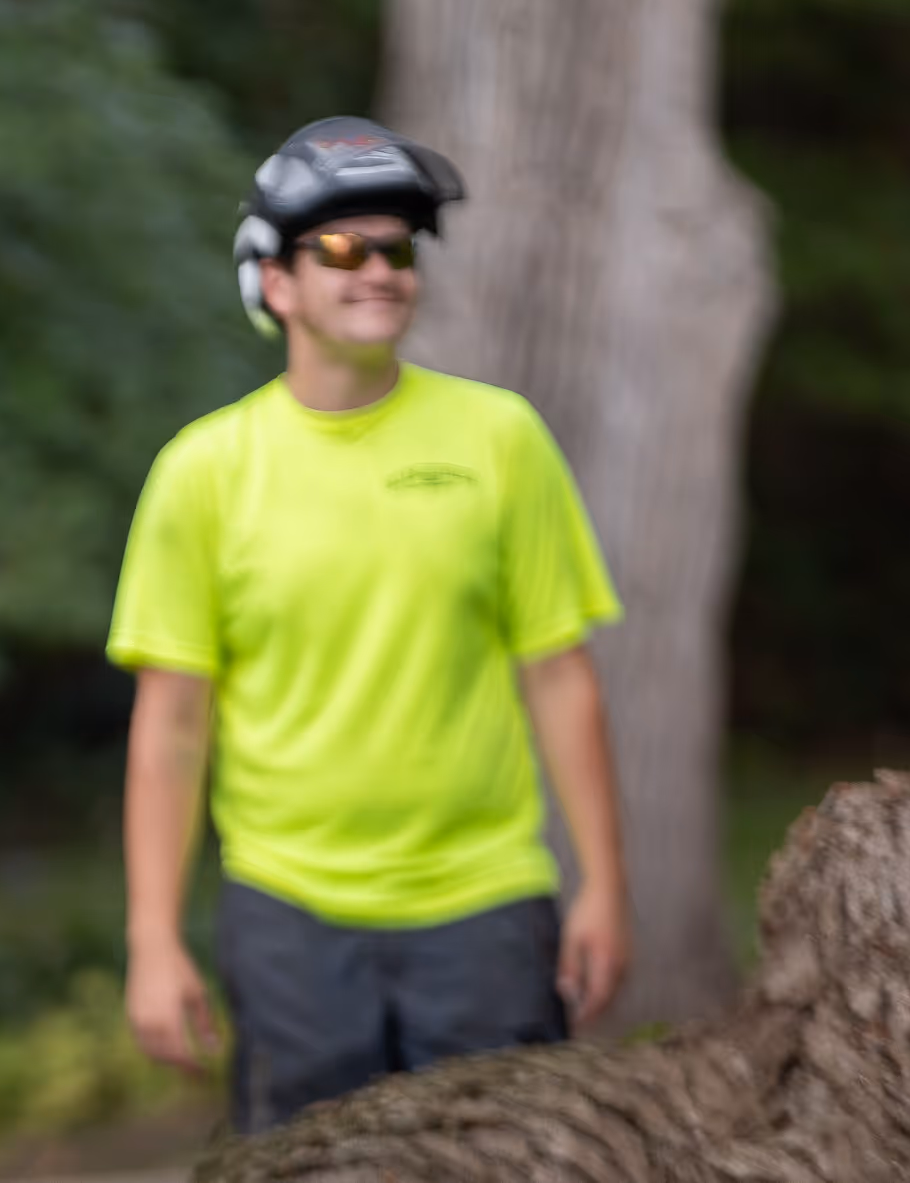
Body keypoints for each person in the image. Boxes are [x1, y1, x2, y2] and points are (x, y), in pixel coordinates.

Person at [110, 116, 631, 1134]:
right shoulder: (200, 472)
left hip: (485, 903)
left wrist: (605, 885)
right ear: (273, 280)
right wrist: (151, 937)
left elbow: (561, 678)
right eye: (343, 248)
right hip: (288, 915)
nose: (381, 269)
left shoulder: (501, 438)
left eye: (397, 247)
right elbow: (171, 729)